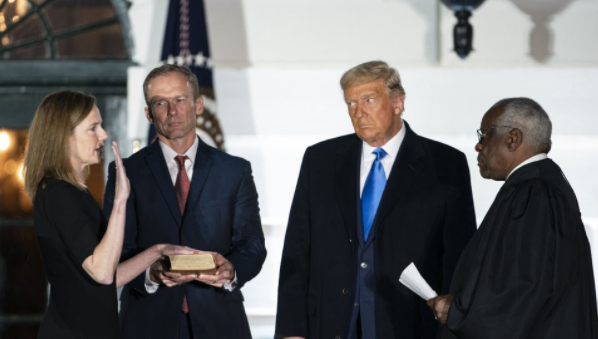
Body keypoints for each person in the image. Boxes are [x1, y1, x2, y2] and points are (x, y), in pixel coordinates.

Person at [275, 60, 477, 339]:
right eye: (351, 104)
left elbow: (459, 256)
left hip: (409, 325)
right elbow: (297, 251)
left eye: (368, 100)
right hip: (330, 323)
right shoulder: (320, 160)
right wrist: (290, 331)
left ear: (398, 102)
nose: (358, 112)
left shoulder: (445, 164)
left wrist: (454, 328)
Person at [103, 64, 267, 338]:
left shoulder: (234, 170)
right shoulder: (126, 171)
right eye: (160, 102)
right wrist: (151, 274)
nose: (172, 111)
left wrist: (231, 270)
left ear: (198, 105)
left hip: (221, 322)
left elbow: (252, 245)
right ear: (148, 113)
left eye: (180, 100)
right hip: (146, 323)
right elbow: (117, 250)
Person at [24, 90, 195, 339]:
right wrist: (120, 201)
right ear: (64, 136)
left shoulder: (71, 192)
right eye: (93, 128)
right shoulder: (59, 192)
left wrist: (158, 251)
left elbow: (108, 279)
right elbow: (102, 272)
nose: (103, 135)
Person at [427, 97, 598, 338]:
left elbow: (522, 290)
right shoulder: (545, 185)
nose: (478, 146)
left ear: (513, 138)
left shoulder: (534, 192)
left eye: (484, 135)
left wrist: (457, 312)